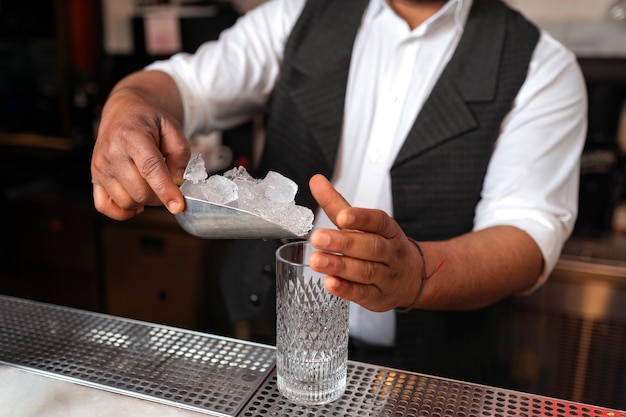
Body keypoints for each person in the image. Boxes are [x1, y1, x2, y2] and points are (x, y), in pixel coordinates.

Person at [91, 0, 587, 383]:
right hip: (266, 341)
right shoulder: (298, 15)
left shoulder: (541, 65)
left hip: (428, 374)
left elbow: (526, 235)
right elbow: (183, 84)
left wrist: (414, 274)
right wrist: (127, 103)